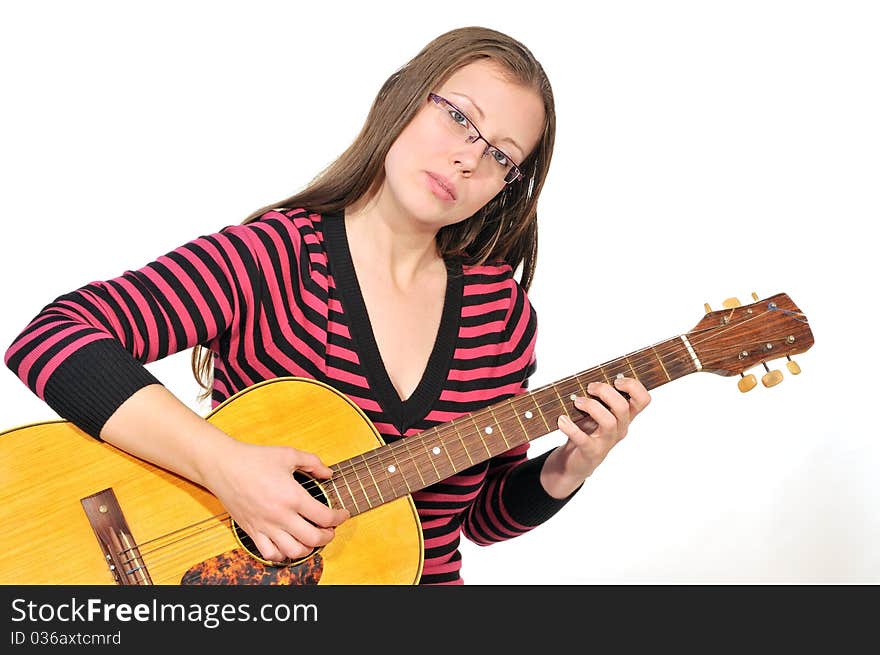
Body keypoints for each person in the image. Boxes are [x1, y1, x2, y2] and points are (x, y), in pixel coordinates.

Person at [3, 25, 651, 585]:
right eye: (458, 116)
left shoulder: (501, 317)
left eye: (500, 155)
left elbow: (475, 517)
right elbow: (53, 337)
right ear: (404, 97)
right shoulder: (278, 255)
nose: (466, 157)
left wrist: (566, 469)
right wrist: (226, 468)